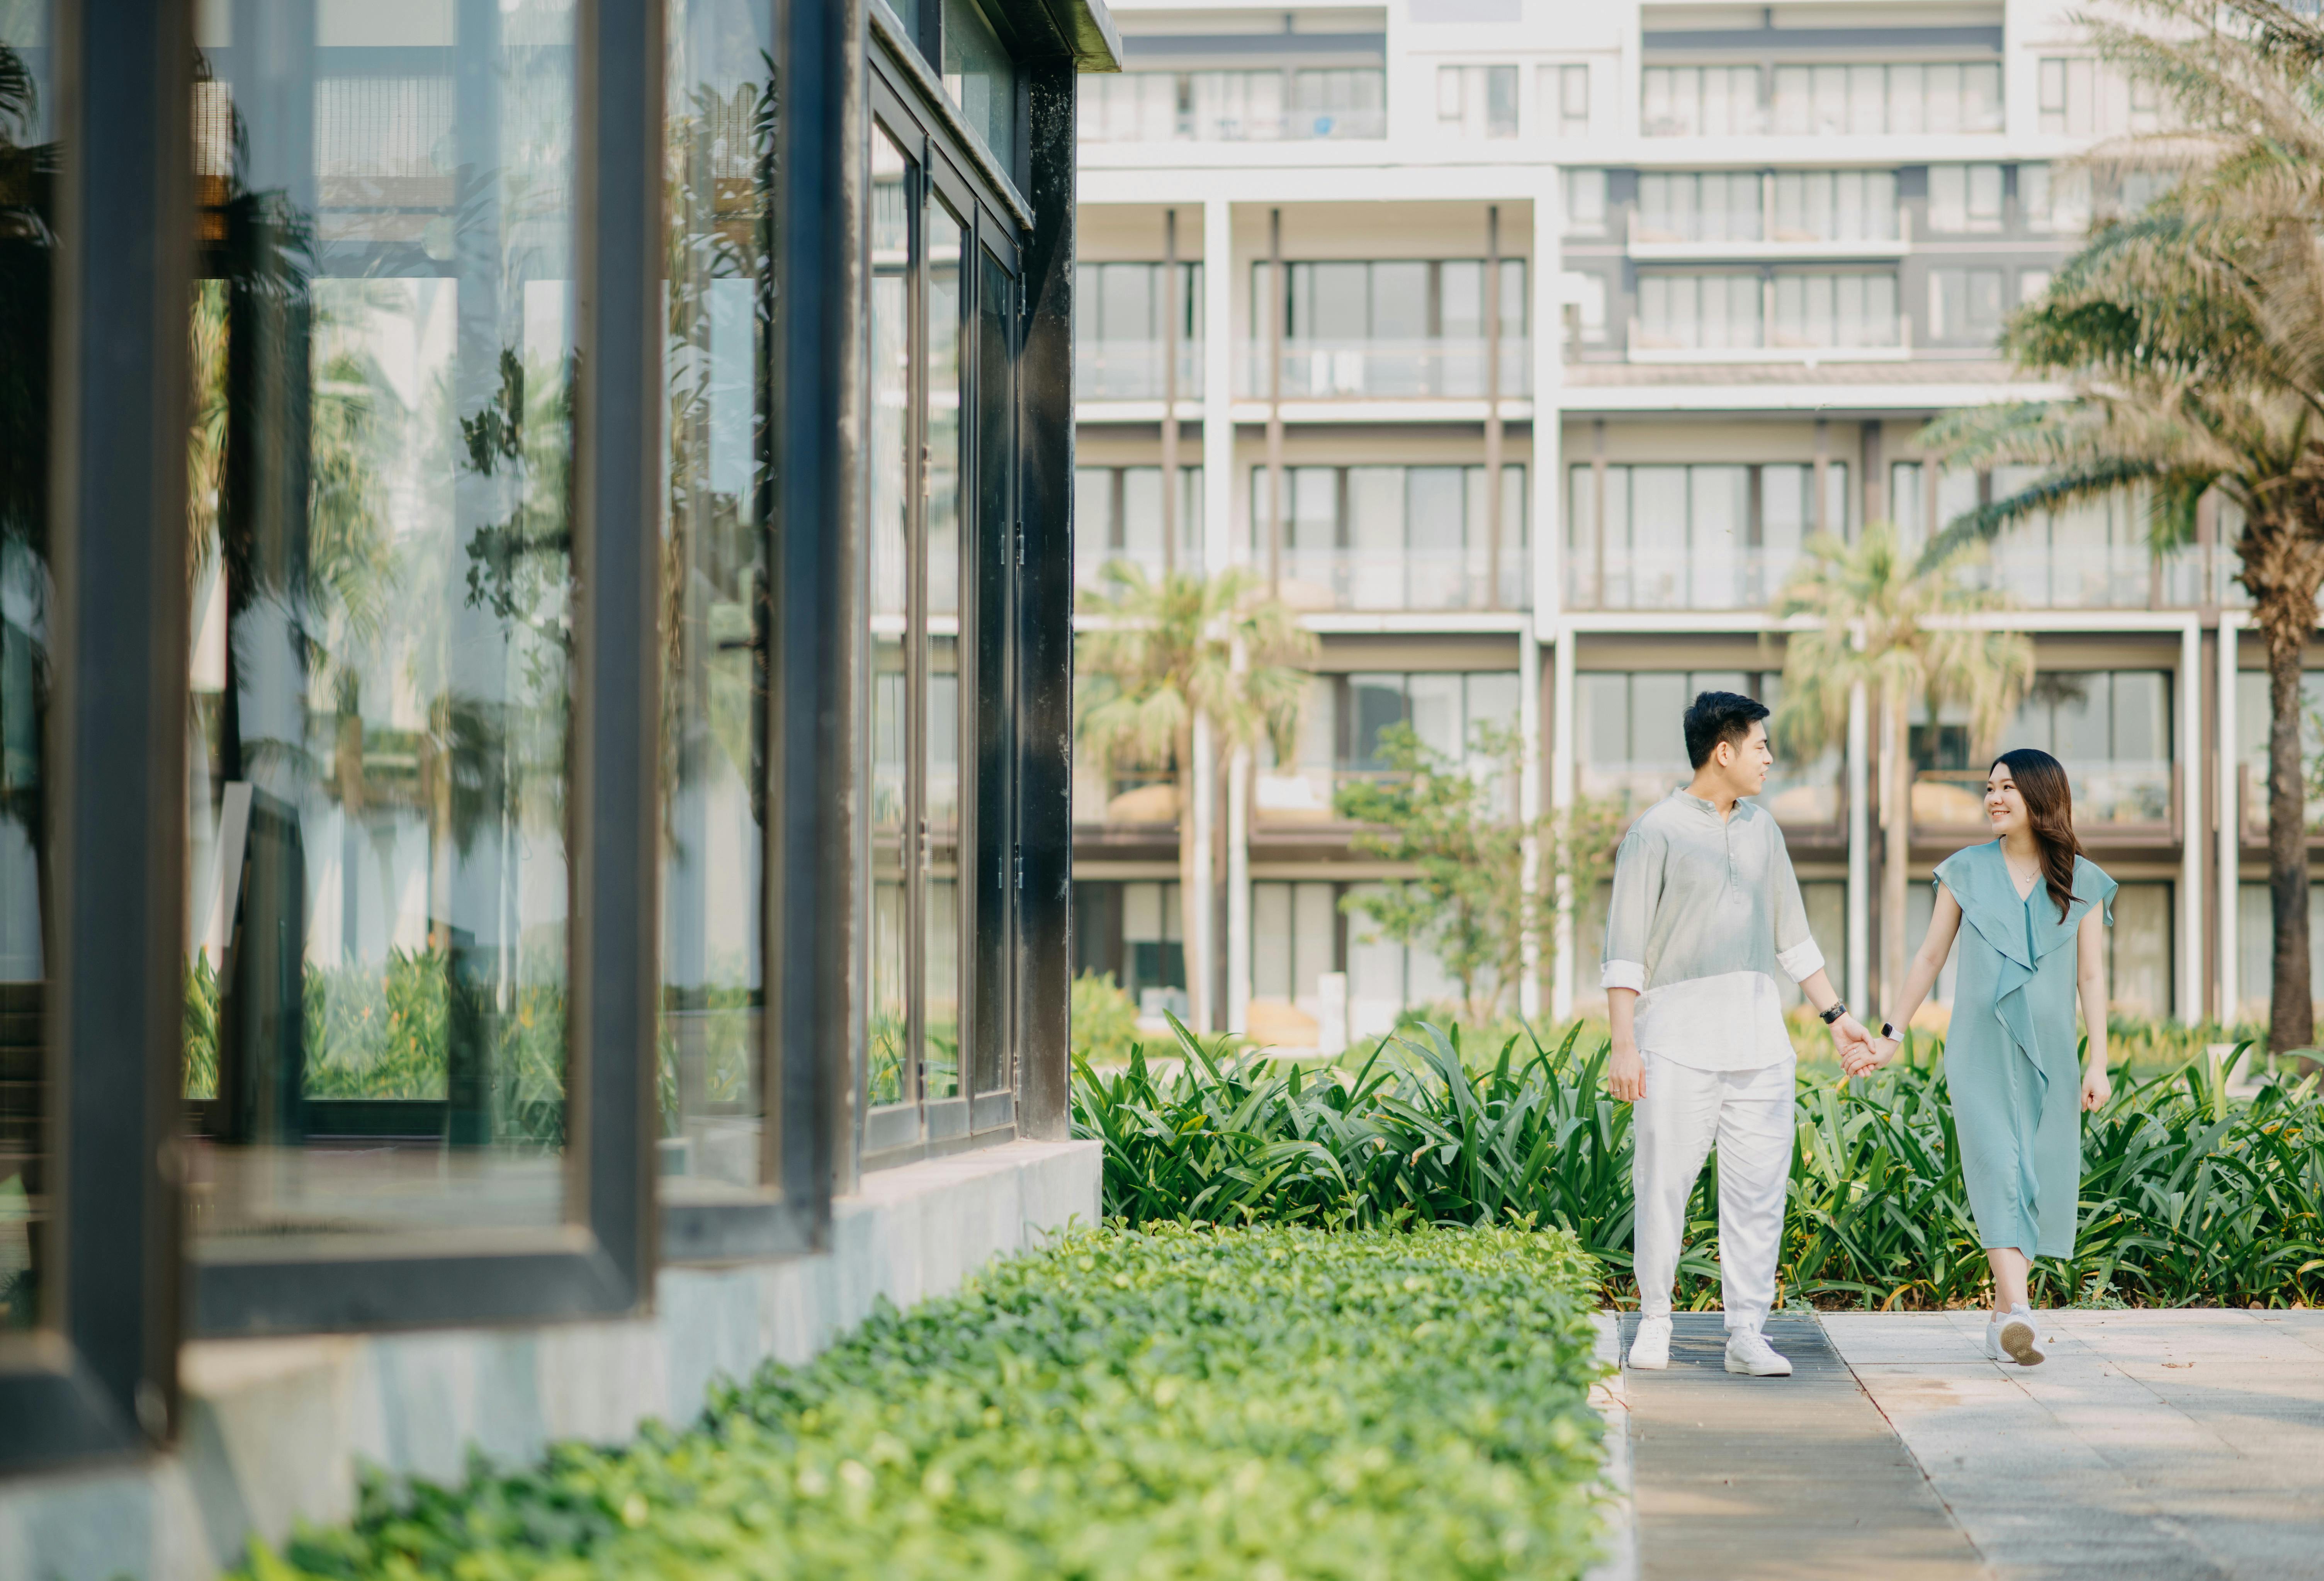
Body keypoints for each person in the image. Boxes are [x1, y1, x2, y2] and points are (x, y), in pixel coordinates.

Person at [1605, 692, 1872, 1377]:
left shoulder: (1764, 830)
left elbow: (1795, 938)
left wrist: (1839, 1021)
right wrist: (1624, 1044)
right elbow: (1625, 949)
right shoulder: (1655, 830)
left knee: (1758, 1193)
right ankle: (1657, 1319)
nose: (1769, 759)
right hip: (1674, 1042)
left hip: (1760, 1045)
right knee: (1663, 1184)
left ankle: (1747, 1332)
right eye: (1759, 746)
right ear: (1722, 751)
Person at [1843, 748, 2114, 1368]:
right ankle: (2021, 1312)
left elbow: (2093, 977)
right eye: (1990, 788)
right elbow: (1930, 958)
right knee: (1997, 1167)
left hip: (2052, 1055)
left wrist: (2098, 1060)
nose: (1994, 798)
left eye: (2009, 788)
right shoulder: (1965, 871)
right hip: (1978, 1051)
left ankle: (2001, 1323)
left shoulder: (2084, 881)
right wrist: (1891, 1033)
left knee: (2034, 1179)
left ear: (2042, 798)